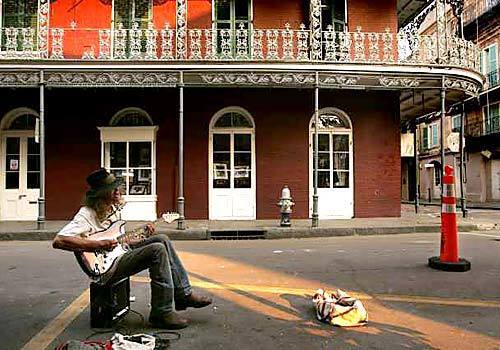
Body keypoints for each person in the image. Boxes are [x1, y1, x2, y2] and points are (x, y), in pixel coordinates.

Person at [52, 168, 212, 329]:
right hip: (105, 269)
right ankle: (161, 313)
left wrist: (142, 235)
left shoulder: (112, 211)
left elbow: (121, 243)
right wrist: (97, 244)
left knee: (161, 239)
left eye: (117, 187)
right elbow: (59, 240)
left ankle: (184, 294)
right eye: (112, 189)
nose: (117, 191)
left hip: (117, 257)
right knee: (157, 250)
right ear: (100, 194)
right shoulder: (86, 214)